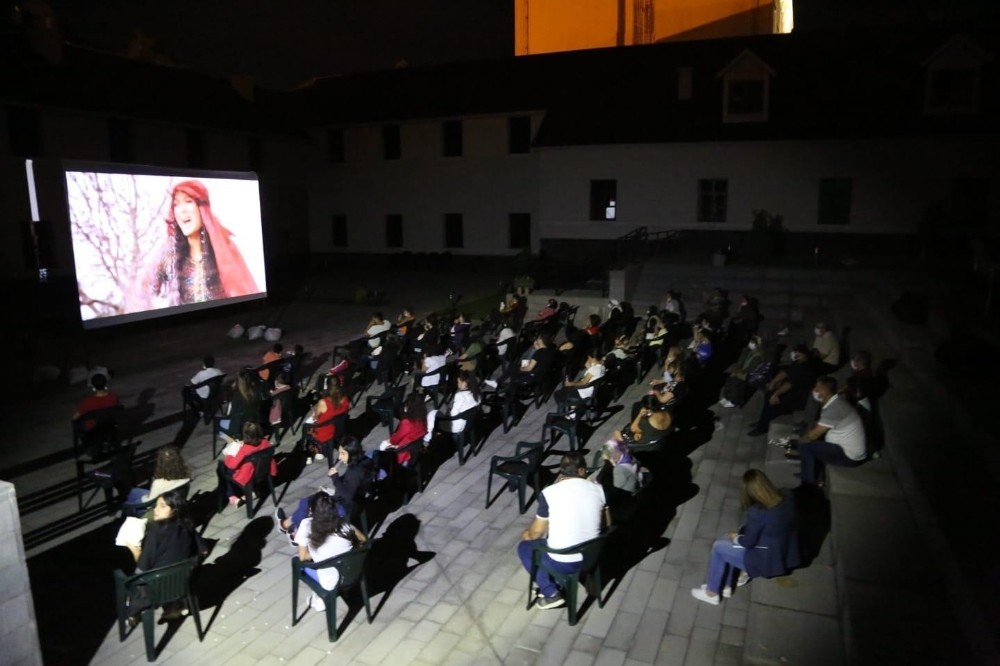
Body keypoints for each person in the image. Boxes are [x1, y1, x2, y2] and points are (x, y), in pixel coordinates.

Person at [691, 469, 800, 605]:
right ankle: (727, 586)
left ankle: (712, 593)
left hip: (766, 559)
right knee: (727, 541)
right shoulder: (788, 495)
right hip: (784, 550)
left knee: (719, 547)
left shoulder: (758, 513)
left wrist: (735, 537)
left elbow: (748, 542)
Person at [517, 452, 609, 609]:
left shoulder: (549, 493)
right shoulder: (599, 489)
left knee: (525, 548)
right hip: (593, 555)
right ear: (581, 471)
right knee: (546, 543)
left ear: (562, 471)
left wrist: (526, 534)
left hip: (564, 562)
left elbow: (536, 534)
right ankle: (555, 583)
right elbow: (606, 523)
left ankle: (551, 593)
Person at [149, 180, 258, 305]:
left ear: (202, 208)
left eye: (188, 201)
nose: (181, 210)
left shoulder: (225, 249)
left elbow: (244, 292)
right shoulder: (168, 251)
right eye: (176, 204)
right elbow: (145, 292)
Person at [121, 490, 201, 624]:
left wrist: (134, 548)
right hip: (182, 583)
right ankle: (174, 606)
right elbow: (202, 549)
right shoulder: (188, 525)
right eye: (156, 505)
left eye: (162, 506)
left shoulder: (156, 531)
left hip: (158, 590)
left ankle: (132, 613)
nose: (156, 509)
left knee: (130, 581)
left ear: (174, 510)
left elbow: (142, 567)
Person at [276, 437, 374, 543]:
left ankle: (294, 533)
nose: (340, 457)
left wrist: (335, 477)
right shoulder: (363, 462)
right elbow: (350, 485)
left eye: (343, 453)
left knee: (306, 503)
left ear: (352, 452)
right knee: (313, 499)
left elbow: (347, 495)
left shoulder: (354, 472)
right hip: (354, 501)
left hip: (344, 506)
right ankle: (289, 526)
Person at [292, 493, 367, 611]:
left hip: (329, 582)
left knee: (297, 561)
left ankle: (320, 597)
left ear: (311, 510)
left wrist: (317, 552)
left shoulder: (306, 525)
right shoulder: (344, 523)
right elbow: (363, 540)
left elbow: (303, 557)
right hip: (353, 574)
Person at [787, 377, 867, 485]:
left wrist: (801, 440)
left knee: (805, 446)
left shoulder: (834, 410)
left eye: (817, 388)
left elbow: (813, 435)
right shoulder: (835, 401)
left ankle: (809, 482)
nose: (814, 390)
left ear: (823, 392)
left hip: (848, 456)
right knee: (809, 436)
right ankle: (815, 472)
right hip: (845, 448)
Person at [747, 344, 817, 437]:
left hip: (797, 397)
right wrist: (773, 382)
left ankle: (762, 427)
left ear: (804, 355)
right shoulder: (798, 362)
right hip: (792, 390)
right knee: (769, 394)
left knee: (770, 401)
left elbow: (790, 384)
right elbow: (786, 372)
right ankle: (762, 421)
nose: (795, 355)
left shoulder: (804, 367)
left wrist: (776, 394)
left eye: (797, 353)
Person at [221, 421, 277, 506]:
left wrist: (228, 455)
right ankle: (253, 490)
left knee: (225, 470)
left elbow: (231, 465)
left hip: (248, 476)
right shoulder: (265, 442)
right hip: (263, 472)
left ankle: (232, 497)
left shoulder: (244, 449)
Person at [124, 446, 191, 516]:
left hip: (160, 509)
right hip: (174, 502)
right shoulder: (186, 477)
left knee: (133, 496)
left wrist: (143, 498)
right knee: (134, 491)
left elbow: (148, 504)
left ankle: (128, 513)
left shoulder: (158, 482)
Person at [426, 371, 481, 441]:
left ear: (464, 383)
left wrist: (447, 412)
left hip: (456, 425)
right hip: (469, 422)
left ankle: (428, 439)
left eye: (458, 382)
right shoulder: (477, 393)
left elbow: (453, 414)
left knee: (432, 413)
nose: (457, 384)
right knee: (442, 405)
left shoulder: (460, 396)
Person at [376, 393, 428, 465]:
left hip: (403, 451)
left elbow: (395, 440)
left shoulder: (407, 423)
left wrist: (389, 440)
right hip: (414, 448)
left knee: (382, 445)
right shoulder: (422, 419)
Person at [719, 335, 766, 408]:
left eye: (752, 342)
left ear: (756, 345)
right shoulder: (751, 351)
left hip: (745, 374)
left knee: (736, 387)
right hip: (740, 370)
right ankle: (727, 397)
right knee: (729, 382)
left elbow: (751, 368)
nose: (750, 344)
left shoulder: (758, 356)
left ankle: (733, 401)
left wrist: (741, 371)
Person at [553, 352, 605, 417]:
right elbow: (590, 369)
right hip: (593, 390)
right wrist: (589, 362)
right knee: (565, 390)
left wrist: (570, 383)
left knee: (557, 394)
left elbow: (583, 383)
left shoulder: (593, 369)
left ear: (593, 358)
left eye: (589, 358)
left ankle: (567, 413)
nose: (588, 359)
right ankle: (572, 409)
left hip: (583, 392)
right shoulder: (602, 367)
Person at [217, 369, 260, 444]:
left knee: (219, 427)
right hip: (251, 421)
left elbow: (231, 415)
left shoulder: (237, 397)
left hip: (238, 425)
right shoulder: (255, 391)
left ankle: (235, 444)